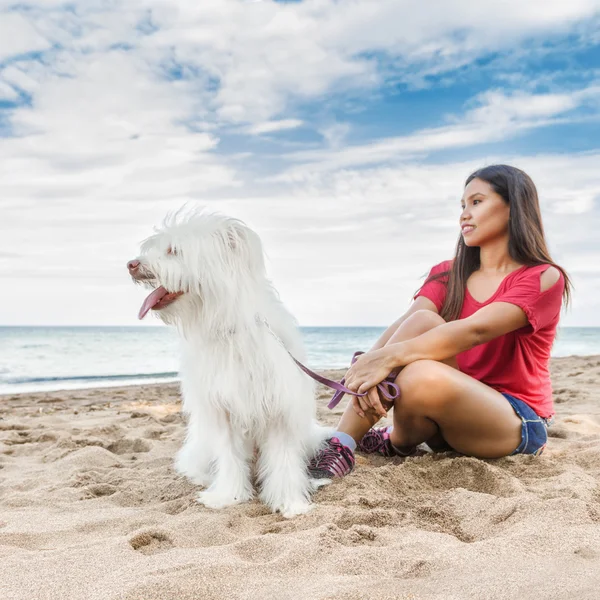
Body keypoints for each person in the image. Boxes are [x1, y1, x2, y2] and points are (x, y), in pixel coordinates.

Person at [308, 164, 572, 479]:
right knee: (421, 321)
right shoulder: (448, 273)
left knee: (419, 372)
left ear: (514, 209)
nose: (464, 214)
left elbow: (477, 330)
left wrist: (386, 360)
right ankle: (341, 445)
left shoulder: (543, 277)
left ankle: (393, 441)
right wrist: (368, 371)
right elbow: (409, 322)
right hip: (445, 418)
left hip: (513, 421)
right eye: (462, 205)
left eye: (476, 202)